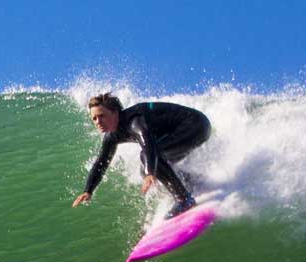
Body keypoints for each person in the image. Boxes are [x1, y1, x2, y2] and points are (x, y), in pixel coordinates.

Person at [71, 93, 211, 218]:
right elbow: (101, 163)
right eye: (94, 118)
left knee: (148, 160)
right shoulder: (111, 136)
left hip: (196, 125)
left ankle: (184, 199)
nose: (98, 122)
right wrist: (88, 190)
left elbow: (148, 142)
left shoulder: (134, 121)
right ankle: (189, 182)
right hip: (188, 129)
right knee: (146, 169)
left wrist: (150, 172)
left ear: (114, 112)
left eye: (101, 116)